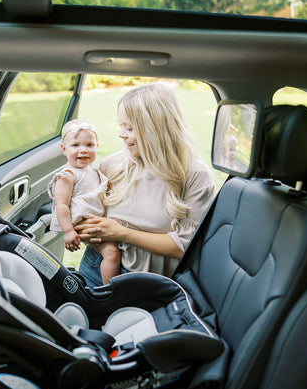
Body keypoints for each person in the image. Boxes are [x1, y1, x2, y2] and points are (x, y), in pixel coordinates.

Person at [74, 82, 215, 287]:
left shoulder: (193, 175)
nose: (121, 134)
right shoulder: (112, 166)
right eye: (121, 126)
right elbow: (88, 213)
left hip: (149, 279)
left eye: (129, 128)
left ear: (154, 129)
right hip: (97, 266)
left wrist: (122, 233)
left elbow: (185, 246)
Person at [48, 119, 122, 284]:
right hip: (83, 222)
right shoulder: (67, 175)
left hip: (94, 218)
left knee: (115, 249)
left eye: (89, 145)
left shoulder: (91, 168)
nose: (83, 150)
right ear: (64, 149)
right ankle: (109, 289)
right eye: (75, 145)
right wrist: (68, 231)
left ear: (97, 146)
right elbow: (61, 205)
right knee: (112, 253)